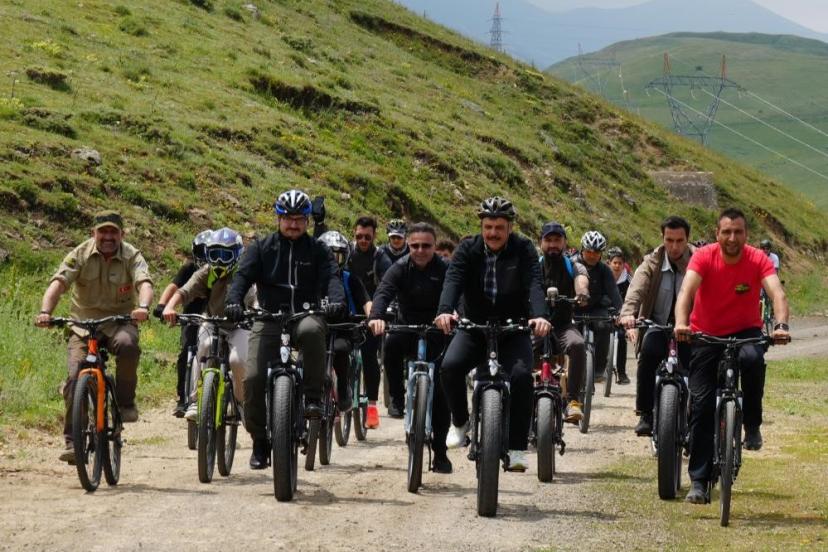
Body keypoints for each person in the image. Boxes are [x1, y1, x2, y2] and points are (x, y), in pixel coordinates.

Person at [675, 208, 790, 504]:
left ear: (746, 235)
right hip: (706, 334)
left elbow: (777, 293)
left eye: (738, 232)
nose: (732, 238)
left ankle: (752, 425)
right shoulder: (704, 257)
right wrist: (682, 323)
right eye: (726, 232)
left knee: (753, 360)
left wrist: (780, 325)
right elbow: (686, 292)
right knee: (701, 405)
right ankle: (699, 481)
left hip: (746, 331)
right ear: (717, 234)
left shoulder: (757, 258)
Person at [225, 189, 346, 470]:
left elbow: (332, 278)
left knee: (314, 332)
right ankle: (259, 441)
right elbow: (241, 278)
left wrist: (337, 301)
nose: (293, 224)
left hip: (306, 314)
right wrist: (233, 301)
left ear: (307, 221)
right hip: (269, 317)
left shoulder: (318, 250)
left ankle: (313, 398)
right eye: (288, 218)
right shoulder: (261, 247)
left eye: (299, 219)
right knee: (253, 377)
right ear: (278, 218)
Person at [435, 197, 551, 472]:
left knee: (522, 377)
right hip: (474, 327)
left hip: (513, 329)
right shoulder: (467, 249)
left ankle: (517, 448)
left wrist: (539, 315)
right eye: (488, 227)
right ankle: (460, 422)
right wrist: (445, 310)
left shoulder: (524, 249)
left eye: (499, 227)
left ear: (510, 227)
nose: (493, 233)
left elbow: (534, 283)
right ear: (481, 226)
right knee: (449, 367)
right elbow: (453, 279)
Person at [35, 211, 153, 464]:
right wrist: (46, 312)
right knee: (74, 378)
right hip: (83, 326)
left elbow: (144, 282)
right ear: (94, 233)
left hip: (119, 322)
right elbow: (59, 283)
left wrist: (143, 307)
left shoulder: (131, 255)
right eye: (103, 232)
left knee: (128, 345)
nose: (108, 237)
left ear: (122, 234)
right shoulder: (80, 253)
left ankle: (125, 403)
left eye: (113, 232)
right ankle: (72, 442)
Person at [369, 223, 453, 473]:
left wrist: (457, 313)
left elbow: (458, 293)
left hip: (439, 331)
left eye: (426, 246)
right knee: (391, 345)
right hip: (407, 328)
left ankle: (440, 452)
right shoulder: (399, 267)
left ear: (434, 247)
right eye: (415, 245)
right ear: (408, 245)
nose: (420, 250)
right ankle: (396, 396)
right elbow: (383, 292)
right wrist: (377, 316)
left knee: (442, 394)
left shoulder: (445, 269)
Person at [162, 228, 256, 420]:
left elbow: (256, 297)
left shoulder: (245, 272)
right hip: (212, 321)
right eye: (214, 254)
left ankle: (242, 401)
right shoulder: (207, 271)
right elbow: (184, 291)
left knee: (237, 361)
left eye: (225, 255)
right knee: (202, 348)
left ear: (237, 254)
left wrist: (255, 311)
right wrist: (169, 307)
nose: (219, 260)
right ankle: (195, 401)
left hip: (239, 325)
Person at [619, 216, 694, 436]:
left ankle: (697, 416)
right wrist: (628, 314)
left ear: (687, 239)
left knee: (698, 365)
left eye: (679, 241)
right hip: (657, 324)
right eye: (669, 240)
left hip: (690, 328)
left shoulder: (698, 262)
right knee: (648, 354)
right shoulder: (652, 262)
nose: (674, 246)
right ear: (662, 238)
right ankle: (645, 413)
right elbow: (637, 288)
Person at [153, 229, 212, 417]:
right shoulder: (189, 268)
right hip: (191, 315)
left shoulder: (220, 269)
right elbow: (174, 286)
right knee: (187, 350)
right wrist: (162, 305)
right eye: (202, 251)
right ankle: (182, 398)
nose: (205, 255)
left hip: (213, 316)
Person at [537, 221, 590, 423]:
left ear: (565, 243)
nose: (553, 244)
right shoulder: (534, 266)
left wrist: (582, 293)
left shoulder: (573, 265)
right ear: (541, 243)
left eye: (557, 240)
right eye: (548, 240)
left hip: (562, 326)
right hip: (536, 326)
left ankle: (572, 400)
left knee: (578, 344)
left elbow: (581, 280)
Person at [318, 230, 372, 412]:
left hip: (343, 329)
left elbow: (366, 301)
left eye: (338, 256)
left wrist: (373, 317)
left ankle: (343, 388)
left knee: (340, 350)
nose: (333, 261)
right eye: (328, 255)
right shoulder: (311, 278)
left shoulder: (350, 279)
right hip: (318, 328)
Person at [345, 216, 387, 427]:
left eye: (367, 237)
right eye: (359, 236)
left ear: (374, 236)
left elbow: (389, 283)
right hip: (347, 312)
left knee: (370, 357)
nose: (363, 240)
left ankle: (371, 407)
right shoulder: (346, 253)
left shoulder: (380, 257)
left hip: (373, 313)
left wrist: (382, 311)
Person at [572, 231, 622, 384]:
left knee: (604, 326)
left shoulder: (604, 270)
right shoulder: (571, 264)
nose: (592, 256)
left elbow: (614, 292)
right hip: (573, 308)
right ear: (582, 250)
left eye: (596, 253)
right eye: (589, 252)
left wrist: (621, 312)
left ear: (601, 254)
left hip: (596, 307)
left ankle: (599, 368)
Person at [606, 246, 631, 385]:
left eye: (620, 263)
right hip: (603, 314)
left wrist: (624, 315)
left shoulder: (629, 280)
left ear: (623, 265)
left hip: (621, 315)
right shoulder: (603, 275)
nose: (617, 266)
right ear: (608, 263)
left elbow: (632, 299)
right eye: (614, 263)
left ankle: (621, 372)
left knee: (621, 337)